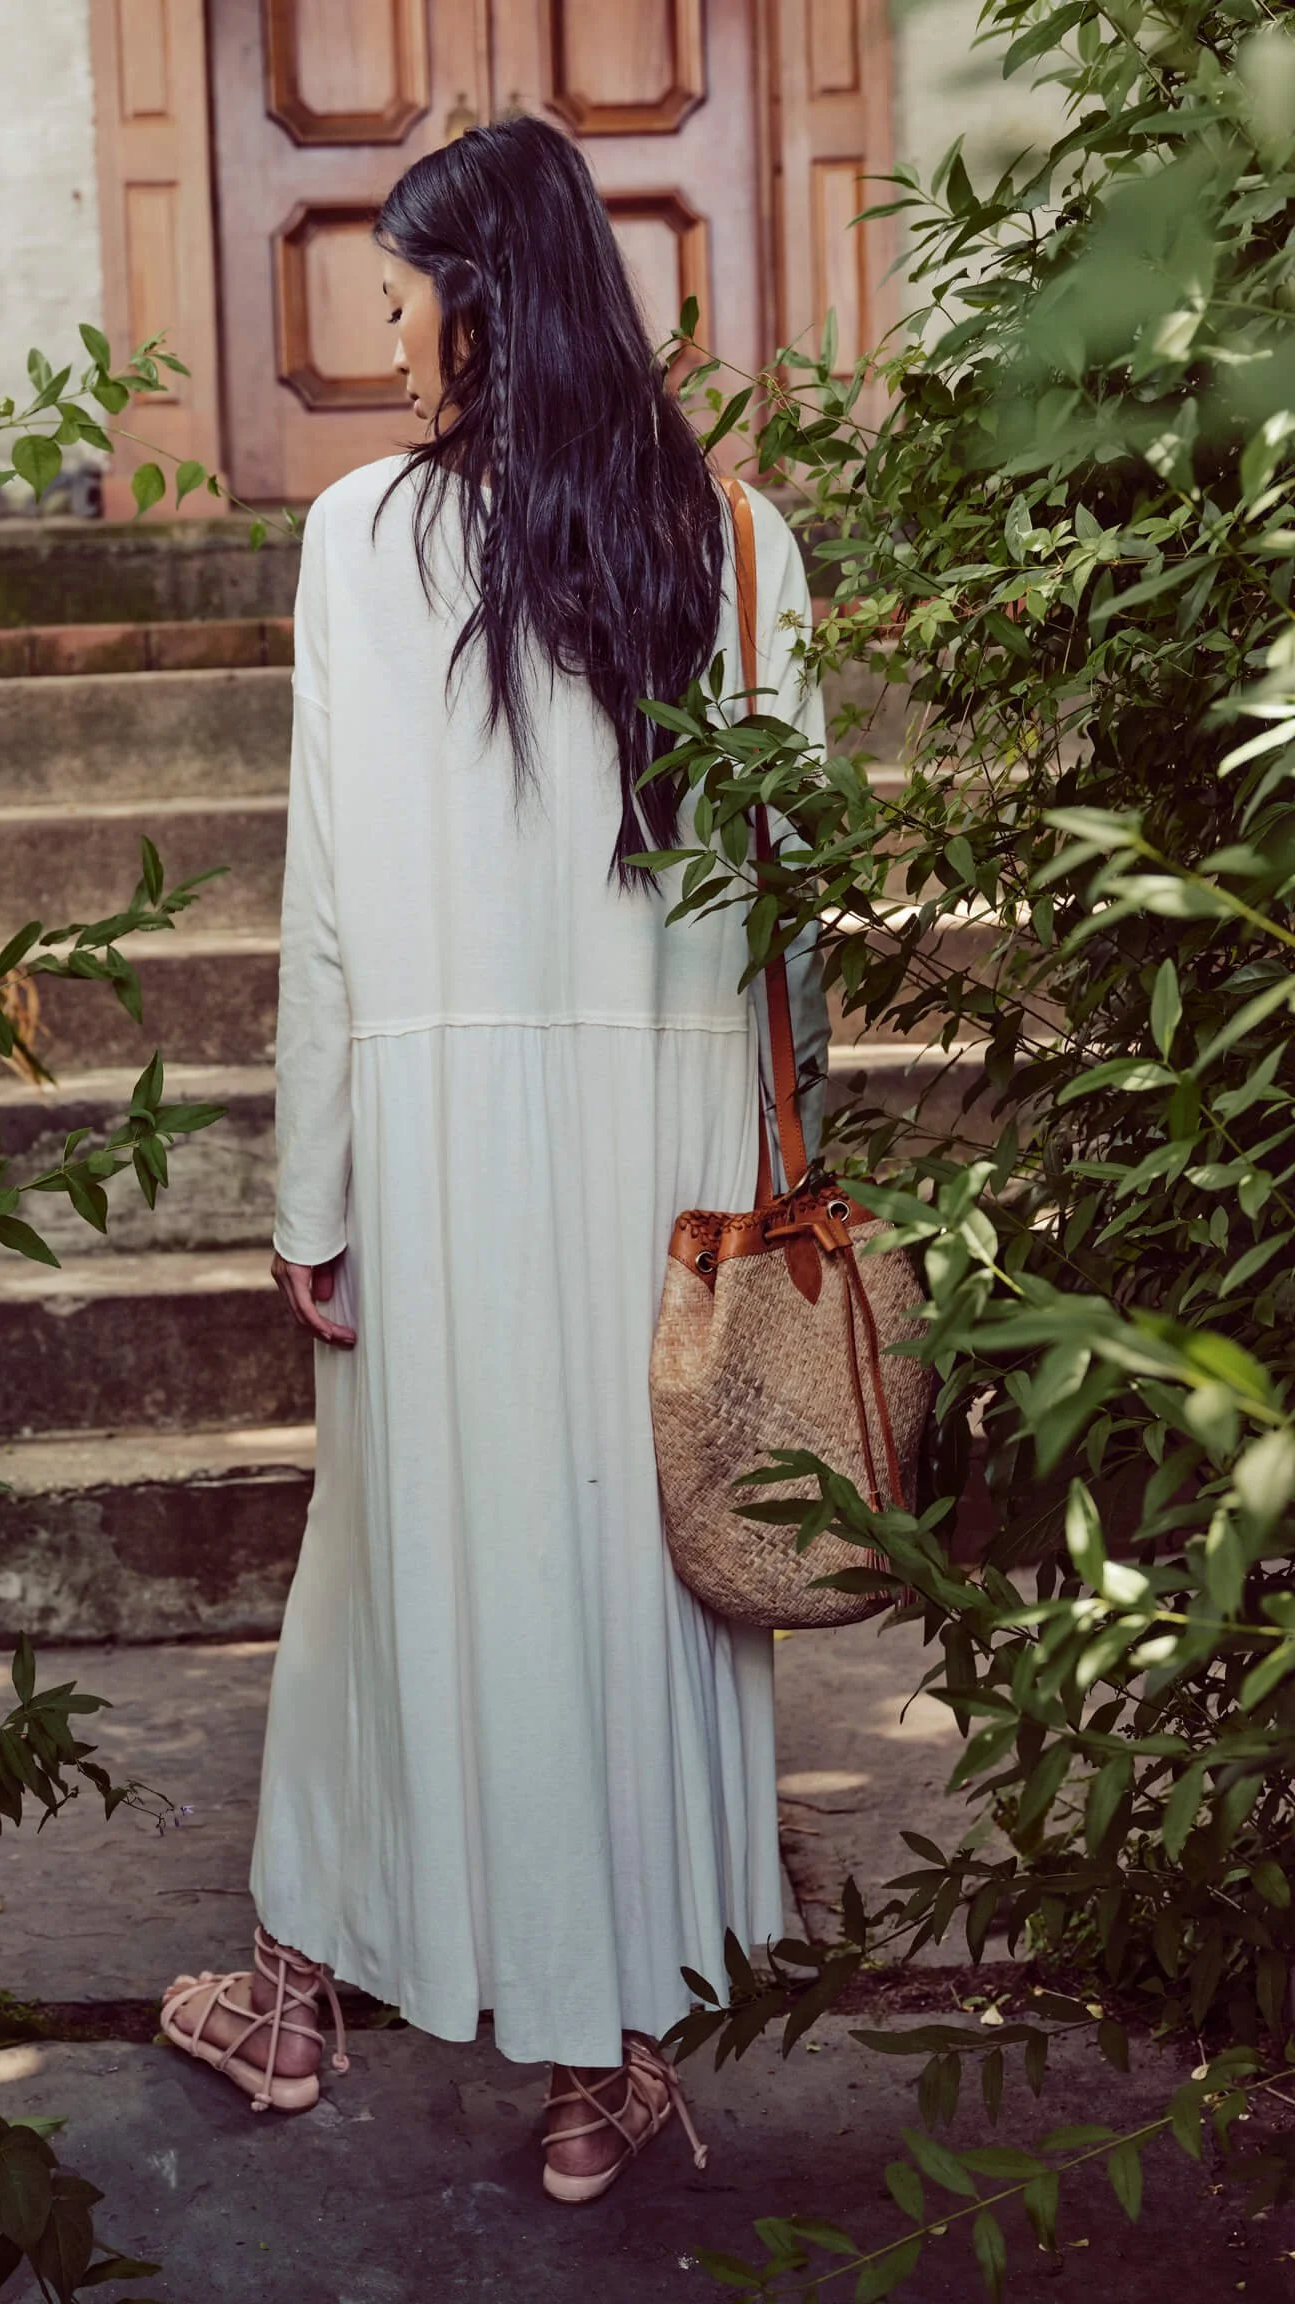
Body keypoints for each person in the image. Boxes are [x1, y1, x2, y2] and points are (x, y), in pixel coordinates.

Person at [161, 114, 828, 2204]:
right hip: (668, 1142)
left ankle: (324, 1996)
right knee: (626, 1581)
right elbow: (787, 896)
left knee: (401, 1559)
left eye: (407, 290)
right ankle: (584, 2068)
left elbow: (334, 912)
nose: (390, 328)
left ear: (484, 296)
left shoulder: (363, 545)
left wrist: (316, 1200)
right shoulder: (736, 544)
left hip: (449, 1157)